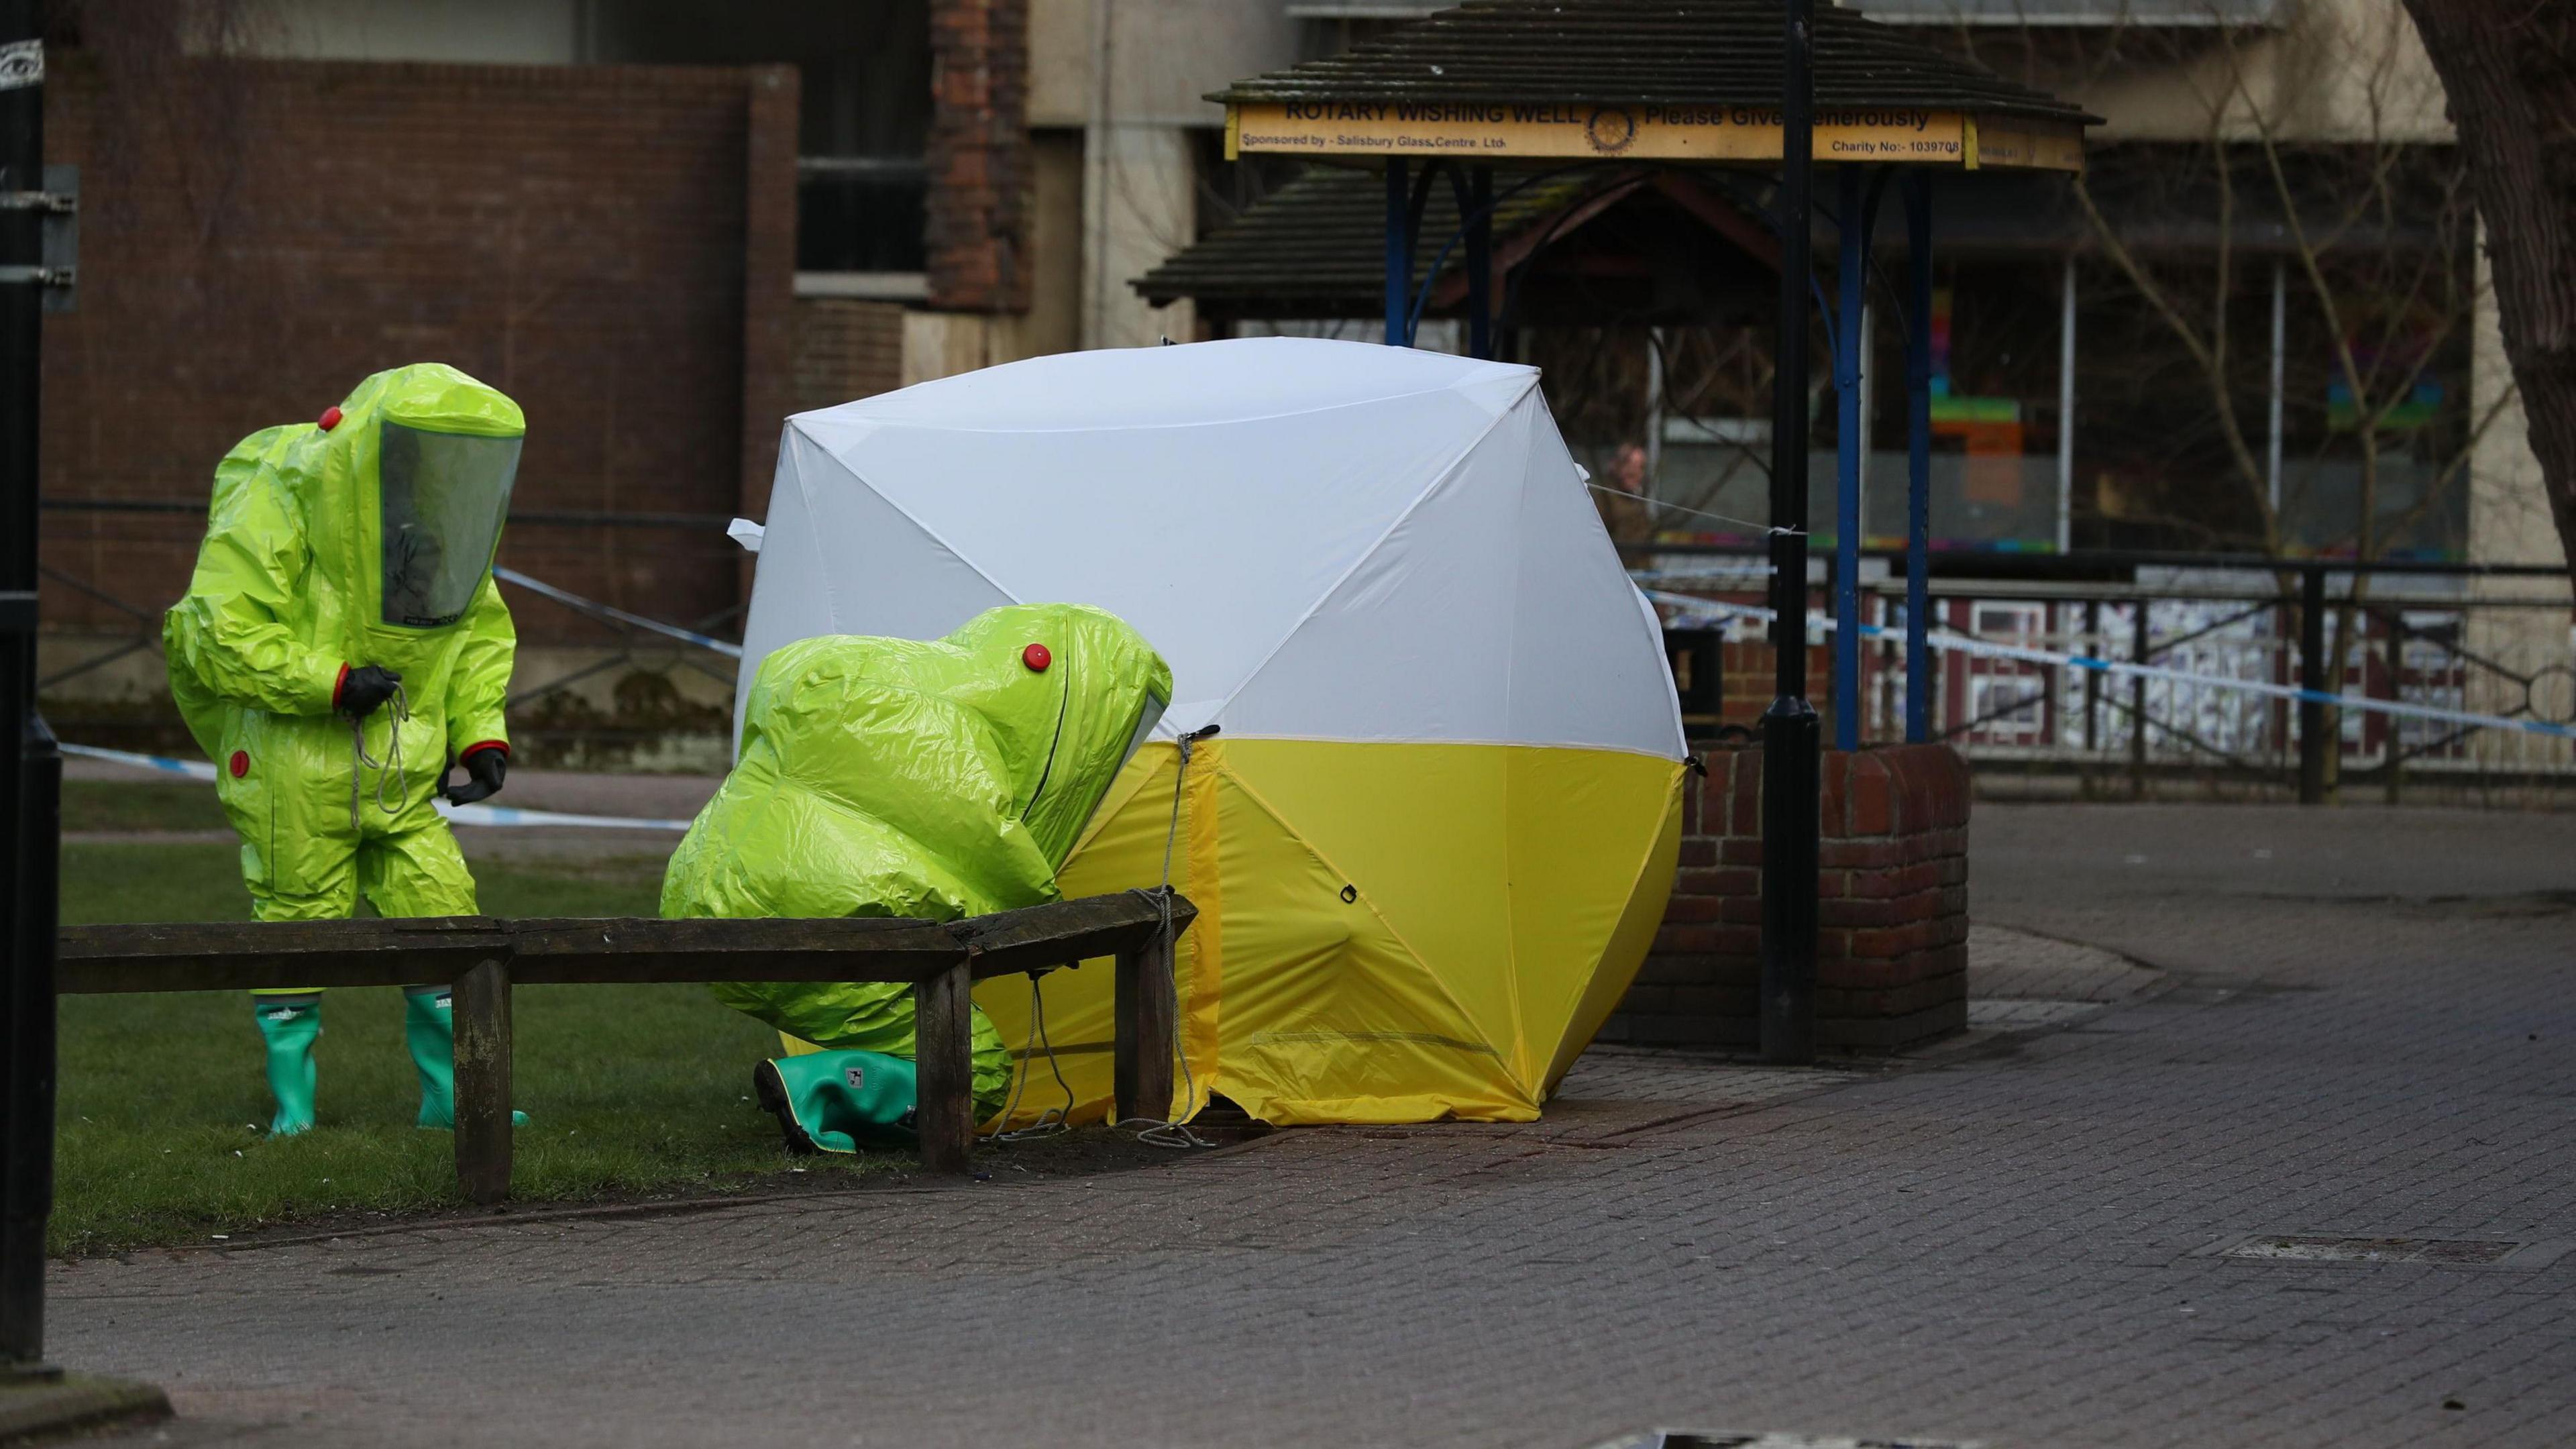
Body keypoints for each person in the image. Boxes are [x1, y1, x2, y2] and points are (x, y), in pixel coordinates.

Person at [164, 364, 525, 1135]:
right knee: (299, 932)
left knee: (445, 920)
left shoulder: (428, 523)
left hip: (401, 773)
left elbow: (474, 635)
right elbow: (214, 631)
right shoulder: (279, 498)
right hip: (295, 770)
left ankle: (451, 1100)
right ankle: (294, 1109)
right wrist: (327, 683)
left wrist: (479, 735)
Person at [1594, 441, 1655, 545]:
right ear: (1615, 465)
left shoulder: (1637, 497)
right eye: (1628, 463)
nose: (1634, 472)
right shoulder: (1604, 497)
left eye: (1640, 467)